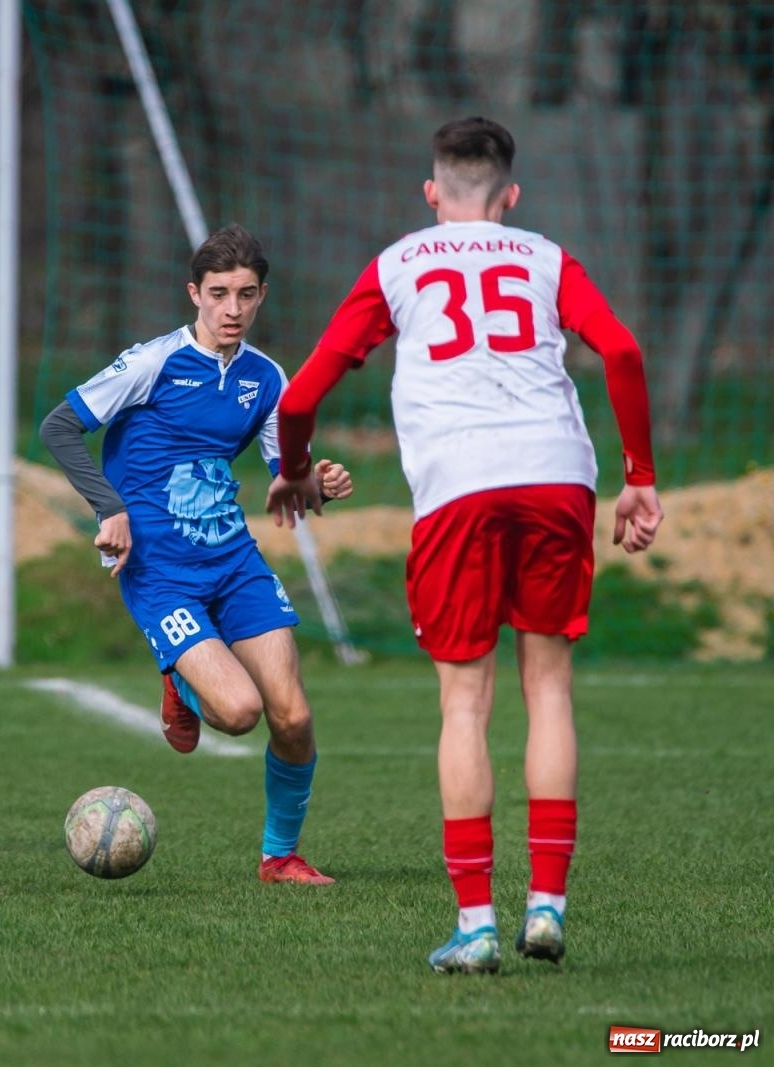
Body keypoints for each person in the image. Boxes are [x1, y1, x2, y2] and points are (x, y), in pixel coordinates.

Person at [265, 117, 664, 973]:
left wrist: (295, 469)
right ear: (511, 197)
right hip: (557, 475)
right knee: (549, 688)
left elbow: (298, 399)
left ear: (431, 193)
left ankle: (478, 923)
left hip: (458, 489)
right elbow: (623, 349)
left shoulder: (397, 265)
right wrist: (640, 475)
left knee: (464, 705)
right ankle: (548, 907)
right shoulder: (546, 256)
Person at [40, 224, 352, 887]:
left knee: (292, 715)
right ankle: (176, 678)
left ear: (262, 295)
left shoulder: (268, 379)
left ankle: (280, 857)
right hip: (160, 569)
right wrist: (109, 506)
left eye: (245, 294)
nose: (232, 309)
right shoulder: (153, 362)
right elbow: (59, 426)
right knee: (238, 713)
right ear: (194, 293)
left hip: (234, 561)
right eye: (218, 294)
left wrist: (312, 484)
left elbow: (282, 475)